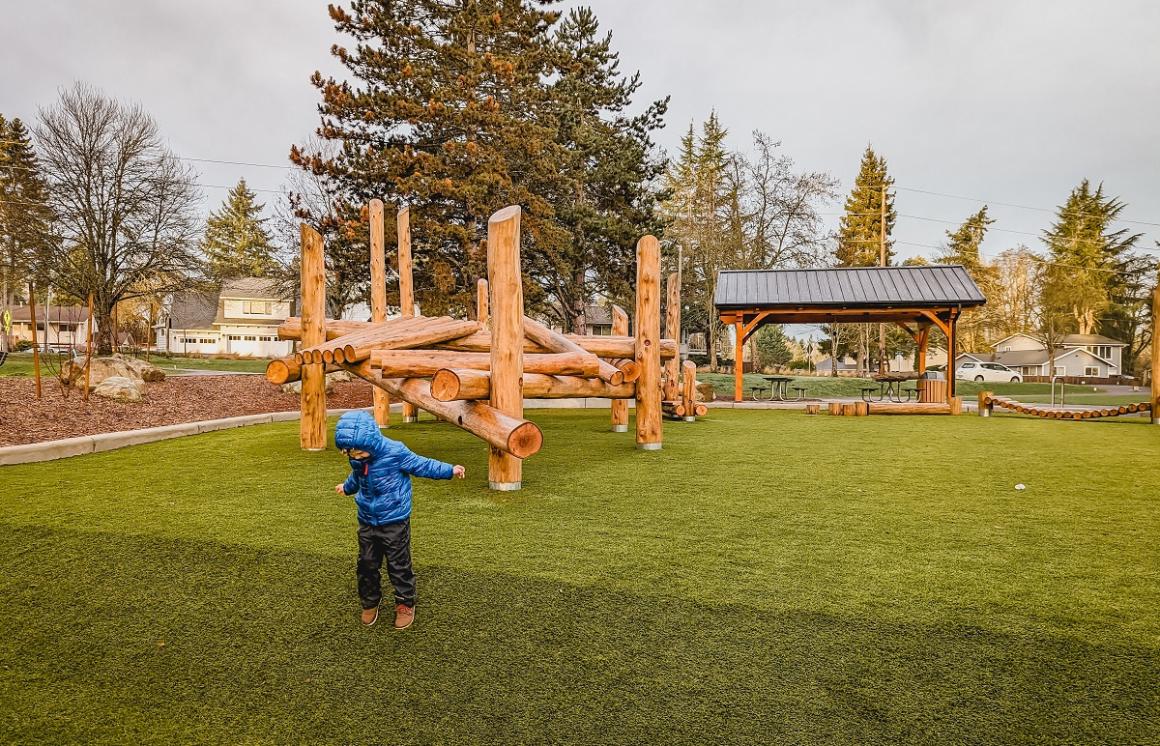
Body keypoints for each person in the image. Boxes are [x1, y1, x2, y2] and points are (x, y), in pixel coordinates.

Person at [333, 410, 465, 629]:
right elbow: (356, 477)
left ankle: (405, 603)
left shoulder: (396, 452)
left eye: (358, 454)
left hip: (394, 520)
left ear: (371, 442)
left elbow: (423, 465)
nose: (355, 458)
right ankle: (370, 601)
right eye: (350, 455)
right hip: (367, 519)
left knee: (398, 564)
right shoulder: (357, 457)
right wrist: (347, 488)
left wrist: (449, 470)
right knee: (366, 564)